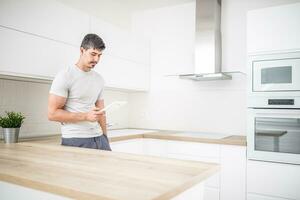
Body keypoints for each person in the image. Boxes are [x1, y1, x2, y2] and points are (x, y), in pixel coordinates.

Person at [48, 33, 111, 151]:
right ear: (82, 50)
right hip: (76, 139)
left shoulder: (99, 79)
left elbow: (102, 113)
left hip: (100, 138)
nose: (96, 59)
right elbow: (52, 114)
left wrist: (105, 137)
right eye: (93, 54)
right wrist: (86, 116)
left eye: (99, 55)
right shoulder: (65, 75)